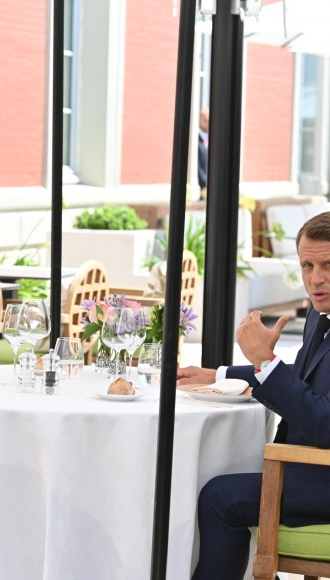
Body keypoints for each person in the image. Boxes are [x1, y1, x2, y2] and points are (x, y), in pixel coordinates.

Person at [177, 210, 330, 580]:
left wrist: (265, 359)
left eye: (328, 264)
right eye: (307, 265)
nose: (316, 279)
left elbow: (325, 424)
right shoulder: (318, 314)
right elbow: (305, 378)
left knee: (220, 497)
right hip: (309, 465)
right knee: (219, 477)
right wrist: (220, 373)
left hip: (322, 472)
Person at [198, 107, 209, 198]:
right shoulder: (196, 139)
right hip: (201, 186)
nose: (208, 124)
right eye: (205, 121)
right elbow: (197, 166)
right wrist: (206, 182)